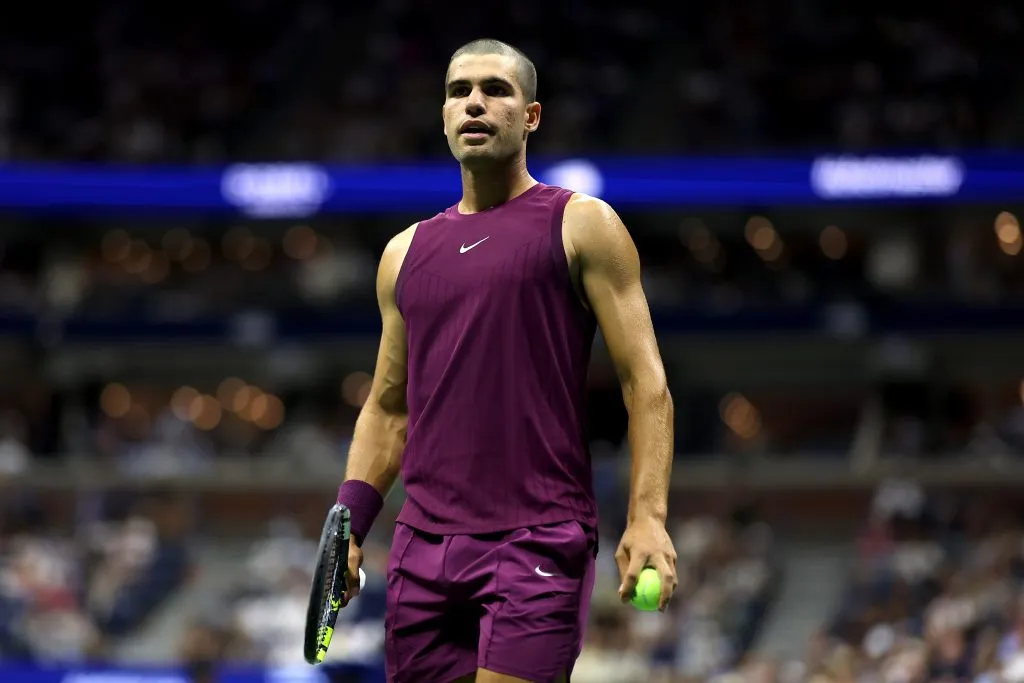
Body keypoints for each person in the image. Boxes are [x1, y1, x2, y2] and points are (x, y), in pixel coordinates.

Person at [335, 38, 677, 683]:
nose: (474, 104)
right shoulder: (403, 253)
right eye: (459, 91)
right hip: (420, 549)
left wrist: (648, 517)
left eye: (496, 90)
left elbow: (646, 384)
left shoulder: (583, 224)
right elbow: (387, 407)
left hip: (538, 538)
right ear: (442, 115)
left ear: (532, 116)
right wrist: (348, 525)